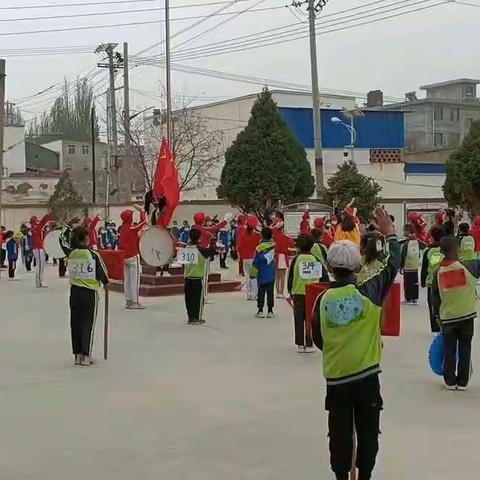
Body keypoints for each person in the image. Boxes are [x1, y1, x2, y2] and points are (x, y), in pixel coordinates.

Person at [311, 208, 399, 480]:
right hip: (367, 379)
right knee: (368, 430)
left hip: (336, 380)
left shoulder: (321, 301)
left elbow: (318, 339)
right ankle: (365, 475)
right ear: (357, 267)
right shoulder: (369, 292)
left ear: (330, 268)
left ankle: (340, 475)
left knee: (338, 433)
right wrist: (391, 234)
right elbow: (392, 265)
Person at [431, 235, 480, 391]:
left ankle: (450, 381)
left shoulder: (438, 272)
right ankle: (463, 381)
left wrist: (437, 316)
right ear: (458, 250)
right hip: (467, 316)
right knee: (465, 349)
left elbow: (435, 298)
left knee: (449, 349)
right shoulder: (469, 267)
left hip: (447, 318)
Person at [60, 225, 108, 366]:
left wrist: (67, 227)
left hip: (74, 292)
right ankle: (87, 355)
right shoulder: (93, 254)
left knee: (75, 323)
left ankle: (77, 355)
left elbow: (61, 239)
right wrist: (105, 282)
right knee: (87, 324)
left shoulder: (71, 252)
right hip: (89, 293)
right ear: (86, 238)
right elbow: (103, 274)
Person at [287, 234, 322, 353]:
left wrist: (289, 290)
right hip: (312, 293)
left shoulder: (296, 259)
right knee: (310, 319)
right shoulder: (315, 258)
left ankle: (300, 343)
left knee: (298, 318)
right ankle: (309, 342)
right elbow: (322, 276)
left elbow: (291, 276)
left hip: (298, 292)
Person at [183, 228, 216, 325]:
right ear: (199, 238)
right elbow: (212, 252)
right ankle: (197, 318)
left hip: (187, 278)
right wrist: (212, 241)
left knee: (188, 299)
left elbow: (183, 264)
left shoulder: (185, 249)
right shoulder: (201, 250)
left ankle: (190, 317)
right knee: (198, 300)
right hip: (197, 278)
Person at [118, 208, 148, 310]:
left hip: (124, 257)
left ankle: (128, 300)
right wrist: (142, 211)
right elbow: (143, 222)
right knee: (135, 279)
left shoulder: (122, 227)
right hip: (132, 256)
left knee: (127, 280)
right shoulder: (131, 227)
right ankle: (135, 302)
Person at [421, 225, 445, 333]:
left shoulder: (428, 251)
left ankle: (436, 327)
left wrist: (422, 281)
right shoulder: (445, 249)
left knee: (433, 305)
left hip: (432, 283)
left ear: (433, 237)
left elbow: (424, 268)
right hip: (444, 281)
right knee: (444, 303)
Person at [251, 227, 276, 318]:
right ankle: (270, 311)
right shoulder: (274, 246)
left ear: (262, 236)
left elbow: (256, 261)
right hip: (271, 272)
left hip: (262, 273)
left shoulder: (259, 248)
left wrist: (253, 271)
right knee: (270, 292)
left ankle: (260, 310)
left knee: (261, 292)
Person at [237, 216, 261, 300]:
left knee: (247, 276)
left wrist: (241, 255)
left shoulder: (242, 235)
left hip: (245, 258)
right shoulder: (257, 236)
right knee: (254, 277)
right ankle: (254, 294)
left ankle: (248, 294)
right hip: (254, 258)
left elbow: (239, 247)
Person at [400, 223, 422, 304]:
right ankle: (415, 297)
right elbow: (419, 253)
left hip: (407, 265)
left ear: (408, 231)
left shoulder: (406, 243)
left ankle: (408, 298)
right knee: (414, 282)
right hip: (415, 265)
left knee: (407, 282)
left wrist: (401, 266)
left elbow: (403, 255)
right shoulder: (416, 241)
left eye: (404, 231)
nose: (403, 232)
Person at [272, 224, 295, 298]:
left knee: (277, 276)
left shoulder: (274, 237)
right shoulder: (285, 236)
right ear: (282, 229)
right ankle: (281, 292)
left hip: (275, 257)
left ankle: (277, 292)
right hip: (283, 257)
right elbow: (292, 243)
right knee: (282, 276)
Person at [31, 213, 51, 288]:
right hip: (38, 248)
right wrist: (47, 216)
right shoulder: (36, 228)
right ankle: (39, 282)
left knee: (41, 265)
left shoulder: (35, 228)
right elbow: (42, 223)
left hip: (39, 248)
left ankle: (40, 282)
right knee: (40, 266)